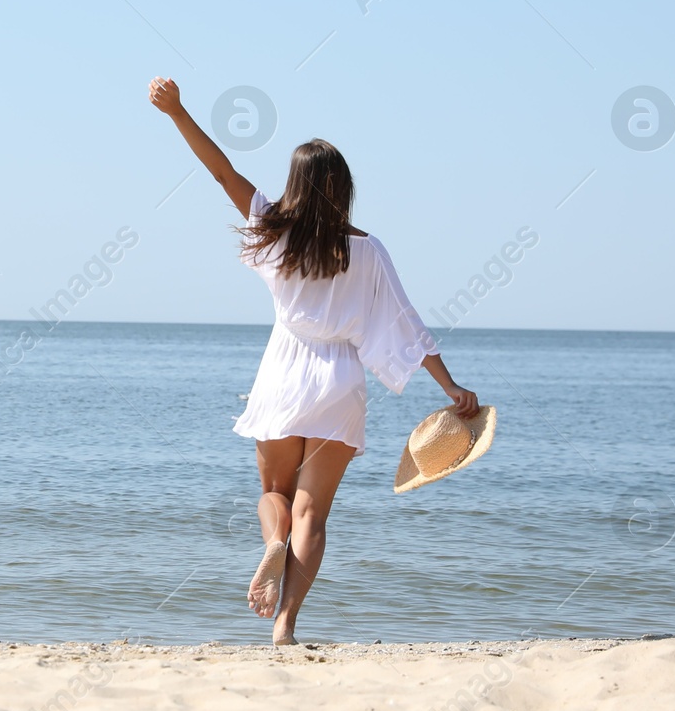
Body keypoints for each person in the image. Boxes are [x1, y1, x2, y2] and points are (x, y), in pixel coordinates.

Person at [148, 77, 482, 646]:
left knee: (274, 495)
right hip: (340, 386)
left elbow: (222, 172)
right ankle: (287, 624)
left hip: (281, 377)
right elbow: (407, 320)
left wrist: (178, 111)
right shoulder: (368, 250)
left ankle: (272, 545)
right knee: (315, 516)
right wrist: (450, 387)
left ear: (294, 184)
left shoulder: (273, 228)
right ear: (345, 187)